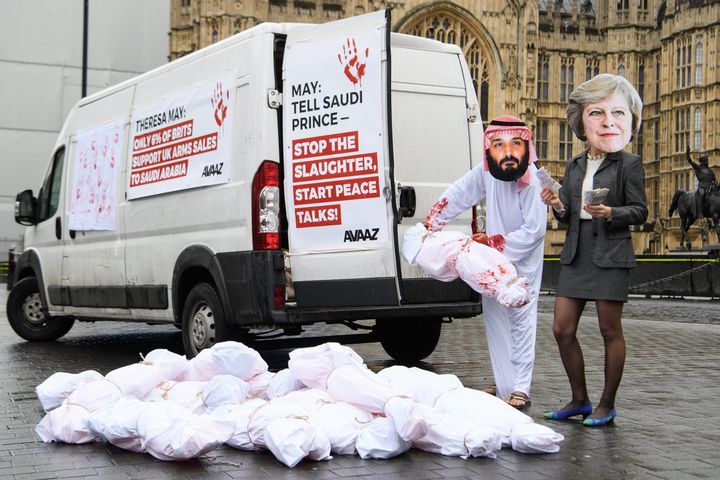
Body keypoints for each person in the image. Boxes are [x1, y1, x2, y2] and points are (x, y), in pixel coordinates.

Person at [540, 74, 648, 426]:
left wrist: (611, 213)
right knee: (562, 329)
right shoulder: (574, 165)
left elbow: (640, 210)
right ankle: (579, 399)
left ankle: (607, 403)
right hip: (576, 252)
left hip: (611, 252)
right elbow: (568, 216)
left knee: (609, 330)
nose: (606, 122)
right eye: (596, 113)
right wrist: (556, 203)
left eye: (616, 114)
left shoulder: (628, 164)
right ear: (581, 120)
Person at [424, 115, 547, 410]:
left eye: (515, 145)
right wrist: (433, 220)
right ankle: (505, 382)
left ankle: (521, 386)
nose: (507, 153)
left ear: (526, 146)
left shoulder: (533, 182)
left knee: (521, 319)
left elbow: (534, 231)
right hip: (491, 260)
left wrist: (492, 244)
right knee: (495, 318)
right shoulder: (486, 173)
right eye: (499, 145)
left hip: (523, 260)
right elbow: (459, 193)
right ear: (488, 148)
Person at [686, 147, 716, 218]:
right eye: (706, 161)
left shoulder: (710, 171)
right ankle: (699, 213)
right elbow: (690, 161)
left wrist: (715, 185)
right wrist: (687, 153)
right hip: (702, 187)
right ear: (704, 162)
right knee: (701, 194)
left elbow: (714, 180)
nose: (707, 162)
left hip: (710, 188)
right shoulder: (698, 168)